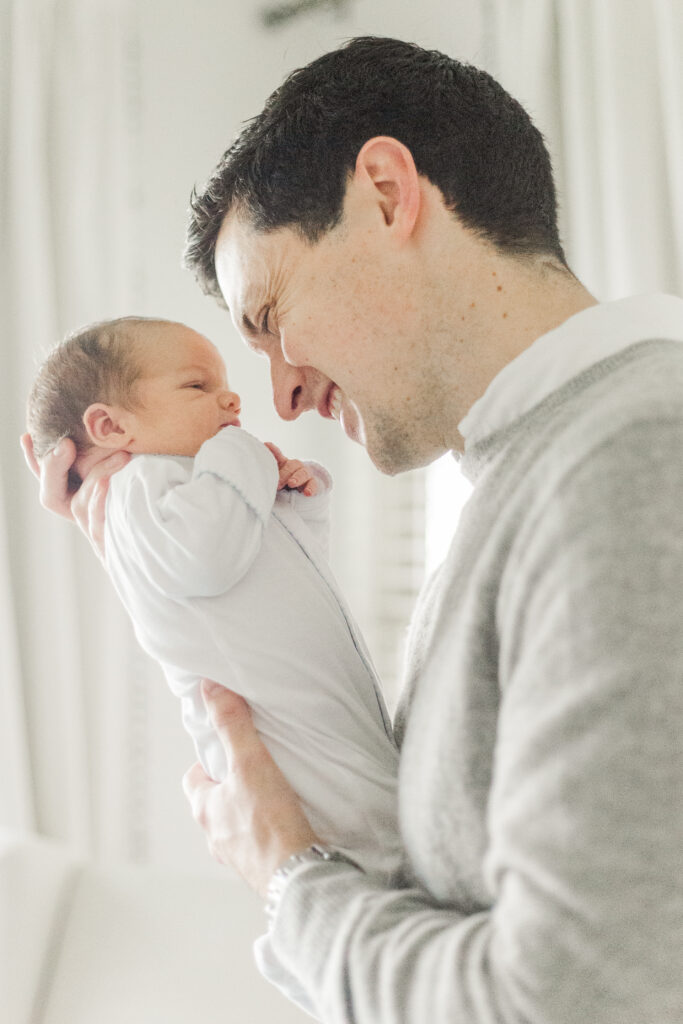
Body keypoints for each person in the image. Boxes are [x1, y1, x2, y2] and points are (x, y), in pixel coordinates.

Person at [22, 35, 683, 1024]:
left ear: (384, 193)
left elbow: (568, 1001)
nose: (279, 390)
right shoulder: (532, 477)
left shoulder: (634, 453)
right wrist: (137, 540)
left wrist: (290, 879)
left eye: (272, 311)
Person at [25, 315, 402, 1013]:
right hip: (288, 755)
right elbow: (206, 559)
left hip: (314, 726)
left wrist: (293, 497)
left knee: (381, 865)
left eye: (227, 386)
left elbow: (282, 571)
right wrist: (246, 460)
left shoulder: (186, 485)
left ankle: (338, 966)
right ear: (111, 427)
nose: (231, 401)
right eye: (199, 384)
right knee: (375, 862)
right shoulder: (138, 486)